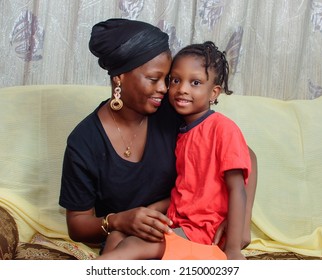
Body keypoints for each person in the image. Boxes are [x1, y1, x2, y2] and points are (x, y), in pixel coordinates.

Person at [59, 18, 257, 259]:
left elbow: (244, 155)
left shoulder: (173, 110)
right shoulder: (84, 141)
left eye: (167, 79)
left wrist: (239, 229)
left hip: (185, 233)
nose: (166, 89)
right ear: (119, 78)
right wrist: (119, 220)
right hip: (136, 233)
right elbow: (77, 224)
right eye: (155, 79)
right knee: (116, 241)